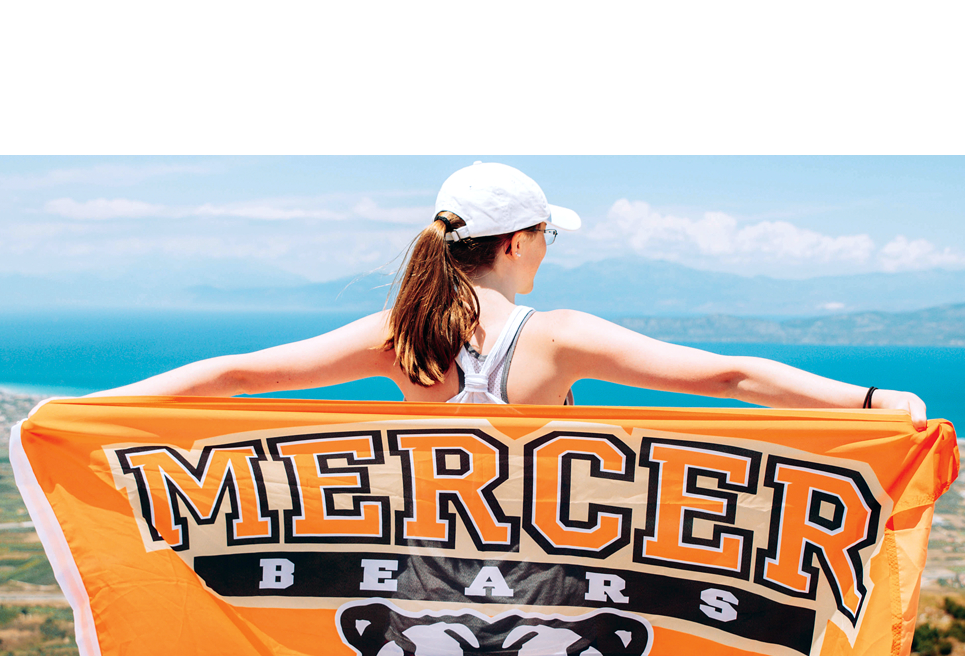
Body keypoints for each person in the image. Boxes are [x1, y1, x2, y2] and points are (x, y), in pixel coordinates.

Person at [93, 162, 928, 429]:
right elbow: (727, 377)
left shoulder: (400, 335)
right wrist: (868, 397)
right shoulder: (559, 336)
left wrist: (90, 410)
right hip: (545, 590)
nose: (545, 254)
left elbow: (233, 375)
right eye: (544, 238)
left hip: (428, 585)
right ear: (516, 242)